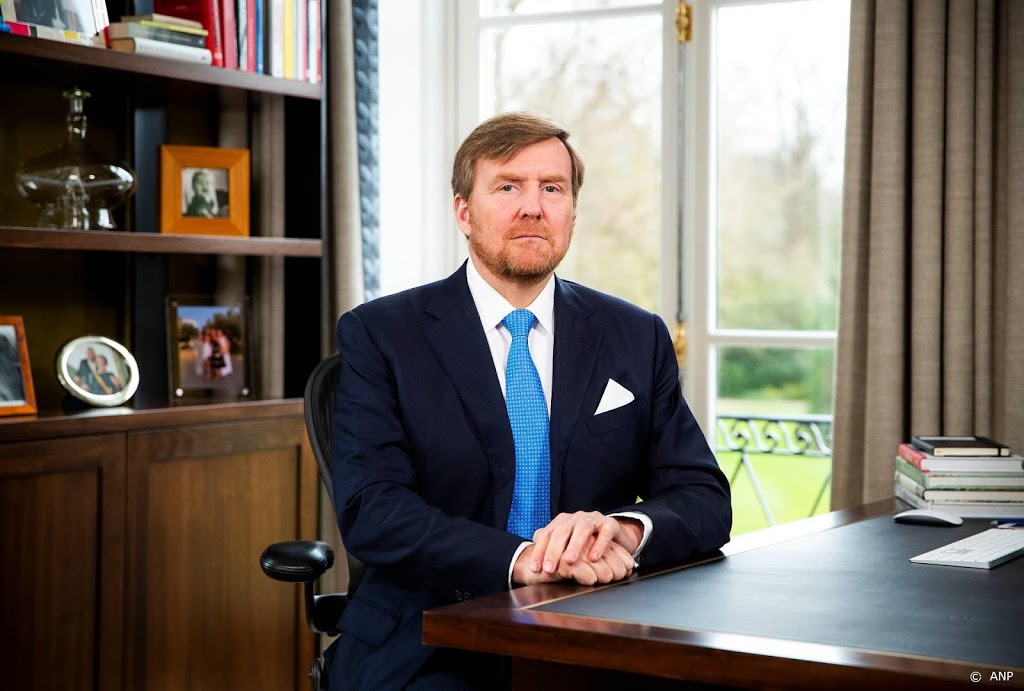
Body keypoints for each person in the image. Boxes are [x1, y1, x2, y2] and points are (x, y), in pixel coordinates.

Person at [328, 111, 732, 689]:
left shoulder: (634, 335)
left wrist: (621, 530)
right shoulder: (381, 334)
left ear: (572, 213)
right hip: (430, 634)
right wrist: (523, 560)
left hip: (600, 623)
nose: (533, 207)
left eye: (552, 188)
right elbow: (373, 509)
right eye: (507, 187)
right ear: (463, 212)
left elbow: (704, 498)